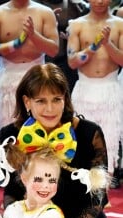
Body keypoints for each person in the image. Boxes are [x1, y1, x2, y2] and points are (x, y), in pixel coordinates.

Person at [0, 63, 109, 218]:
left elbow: (99, 197)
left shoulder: (90, 133)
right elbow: (10, 190)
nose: (50, 108)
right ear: (27, 102)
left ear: (65, 99)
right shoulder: (11, 136)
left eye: (56, 99)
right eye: (41, 101)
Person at [66, 0, 123, 185]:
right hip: (84, 88)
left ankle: (103, 189)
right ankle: (84, 188)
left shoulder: (120, 24)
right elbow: (72, 61)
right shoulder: (77, 25)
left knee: (109, 140)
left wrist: (107, 44)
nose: (99, 1)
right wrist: (94, 46)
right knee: (83, 139)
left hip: (111, 88)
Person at [0, 0, 59, 130]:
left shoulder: (45, 12)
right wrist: (16, 43)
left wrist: (34, 35)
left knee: (42, 129)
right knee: (9, 131)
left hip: (38, 77)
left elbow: (54, 50)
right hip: (8, 78)